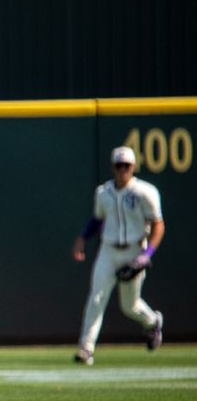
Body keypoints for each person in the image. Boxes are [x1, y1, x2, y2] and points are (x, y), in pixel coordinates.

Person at [71, 146, 165, 365]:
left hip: (134, 250)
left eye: (127, 166)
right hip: (108, 250)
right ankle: (86, 349)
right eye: (119, 166)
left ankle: (153, 322)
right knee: (96, 298)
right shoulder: (103, 192)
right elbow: (97, 219)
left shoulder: (145, 192)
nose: (123, 170)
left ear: (133, 167)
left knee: (129, 306)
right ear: (113, 167)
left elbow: (158, 225)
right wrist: (82, 238)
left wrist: (147, 254)